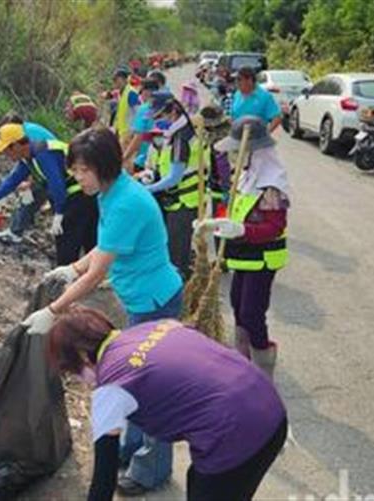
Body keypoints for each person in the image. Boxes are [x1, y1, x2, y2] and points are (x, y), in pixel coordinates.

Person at [23, 128, 183, 496]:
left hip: (155, 301)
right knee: (136, 382)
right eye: (74, 171)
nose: (77, 178)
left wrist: (53, 309)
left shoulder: (126, 201)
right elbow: (102, 247)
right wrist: (71, 268)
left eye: (82, 171)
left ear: (103, 166)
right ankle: (131, 447)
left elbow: (98, 275)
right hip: (141, 300)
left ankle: (151, 469)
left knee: (151, 388)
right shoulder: (111, 193)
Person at [46, 307, 288, 501]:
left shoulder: (110, 387)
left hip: (237, 433)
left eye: (71, 372)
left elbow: (104, 479)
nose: (79, 380)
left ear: (80, 356)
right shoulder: (157, 326)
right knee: (202, 480)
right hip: (269, 405)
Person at [195, 117, 289, 373]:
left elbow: (274, 227)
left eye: (239, 151)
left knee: (252, 314)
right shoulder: (246, 178)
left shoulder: (272, 187)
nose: (234, 157)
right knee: (238, 305)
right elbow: (234, 211)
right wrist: (213, 224)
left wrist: (242, 230)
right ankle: (242, 365)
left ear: (255, 152)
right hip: (243, 258)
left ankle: (262, 371)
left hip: (263, 259)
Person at [0, 123, 97, 265]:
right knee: (88, 238)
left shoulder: (43, 154)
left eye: (6, 150)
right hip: (85, 194)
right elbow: (12, 180)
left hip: (81, 196)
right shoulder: (28, 158)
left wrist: (59, 213)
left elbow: (57, 184)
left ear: (16, 146)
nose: (5, 155)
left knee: (68, 239)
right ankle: (88, 276)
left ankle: (67, 279)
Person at [142, 92, 199, 279]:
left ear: (173, 111)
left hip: (185, 201)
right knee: (174, 246)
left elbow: (174, 177)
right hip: (177, 200)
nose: (157, 122)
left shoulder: (181, 138)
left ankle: (178, 294)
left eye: (160, 116)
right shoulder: (176, 133)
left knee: (176, 253)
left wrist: (148, 189)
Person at [0, 113, 59, 243]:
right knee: (29, 195)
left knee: (36, 195)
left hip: (55, 173)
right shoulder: (24, 134)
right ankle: (16, 231)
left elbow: (40, 162)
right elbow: (18, 174)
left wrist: (29, 182)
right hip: (46, 172)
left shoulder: (31, 137)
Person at [121, 78, 161, 174]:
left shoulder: (145, 109)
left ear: (147, 91)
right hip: (161, 159)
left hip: (144, 159)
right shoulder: (165, 107)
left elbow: (138, 137)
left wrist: (124, 157)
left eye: (141, 91)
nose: (140, 95)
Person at [229, 67, 282, 133]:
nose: (236, 82)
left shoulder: (264, 96)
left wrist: (267, 133)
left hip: (257, 138)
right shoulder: (237, 94)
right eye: (236, 80)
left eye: (239, 79)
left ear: (249, 80)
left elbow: (277, 117)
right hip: (237, 137)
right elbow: (232, 115)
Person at [110, 68, 141, 148]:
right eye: (114, 80)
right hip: (122, 133)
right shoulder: (121, 93)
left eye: (117, 79)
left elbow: (138, 112)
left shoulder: (131, 93)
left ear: (124, 80)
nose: (115, 82)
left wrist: (134, 132)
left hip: (129, 133)